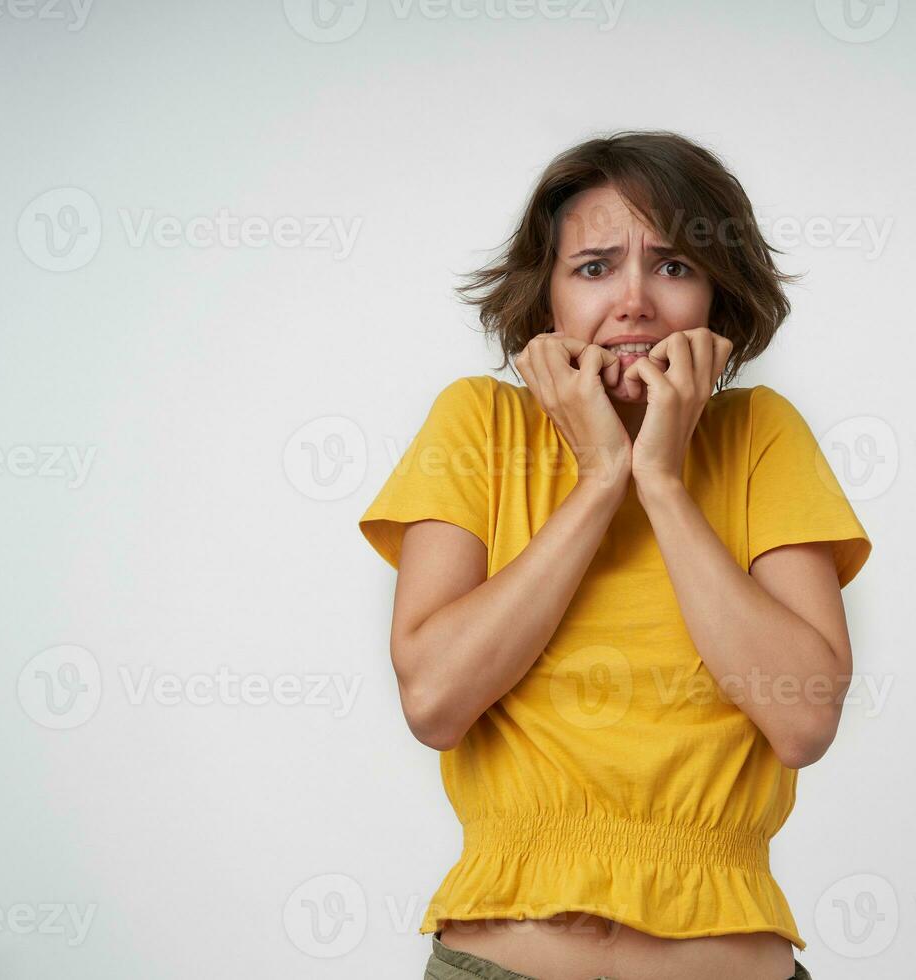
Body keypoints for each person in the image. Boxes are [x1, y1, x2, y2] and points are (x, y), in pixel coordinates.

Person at [359, 130, 872, 980]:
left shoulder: (760, 436)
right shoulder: (479, 426)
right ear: (547, 300)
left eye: (673, 266)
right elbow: (435, 702)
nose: (633, 302)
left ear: (717, 294)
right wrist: (602, 479)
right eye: (594, 267)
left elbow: (805, 719)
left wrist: (663, 484)